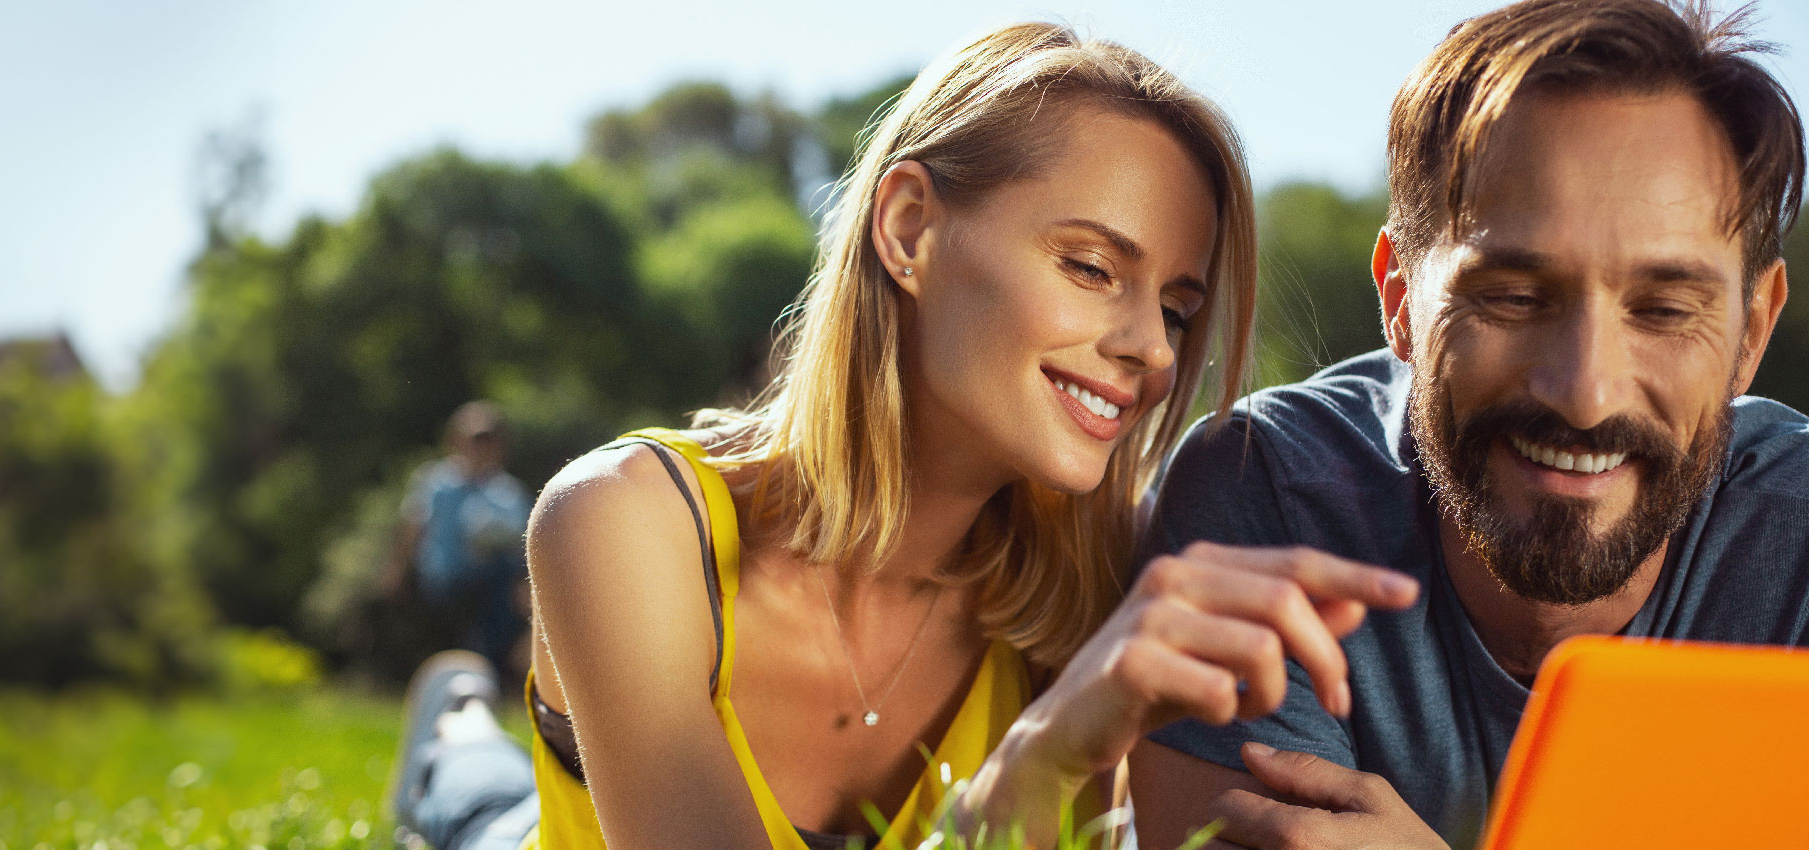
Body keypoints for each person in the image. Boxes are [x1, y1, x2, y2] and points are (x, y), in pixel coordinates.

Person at [389, 21, 1422, 850]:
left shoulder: (1088, 604)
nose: (1149, 348)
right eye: (1091, 267)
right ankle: (455, 721)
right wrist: (1034, 763)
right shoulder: (618, 523)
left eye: (1178, 307)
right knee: (476, 800)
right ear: (908, 229)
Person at [1127, 2, 1809, 848]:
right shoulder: (1267, 499)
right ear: (1400, 299)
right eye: (1513, 298)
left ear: (1752, 333)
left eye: (1663, 310)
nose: (1585, 396)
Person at [384, 400, 534, 679]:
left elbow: (523, 546)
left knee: (505, 586)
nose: (480, 447)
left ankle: (490, 671)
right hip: (446, 580)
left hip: (496, 585)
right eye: (475, 439)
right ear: (456, 439)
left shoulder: (509, 493)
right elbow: (413, 528)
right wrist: (398, 571)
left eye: (487, 440)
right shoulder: (435, 483)